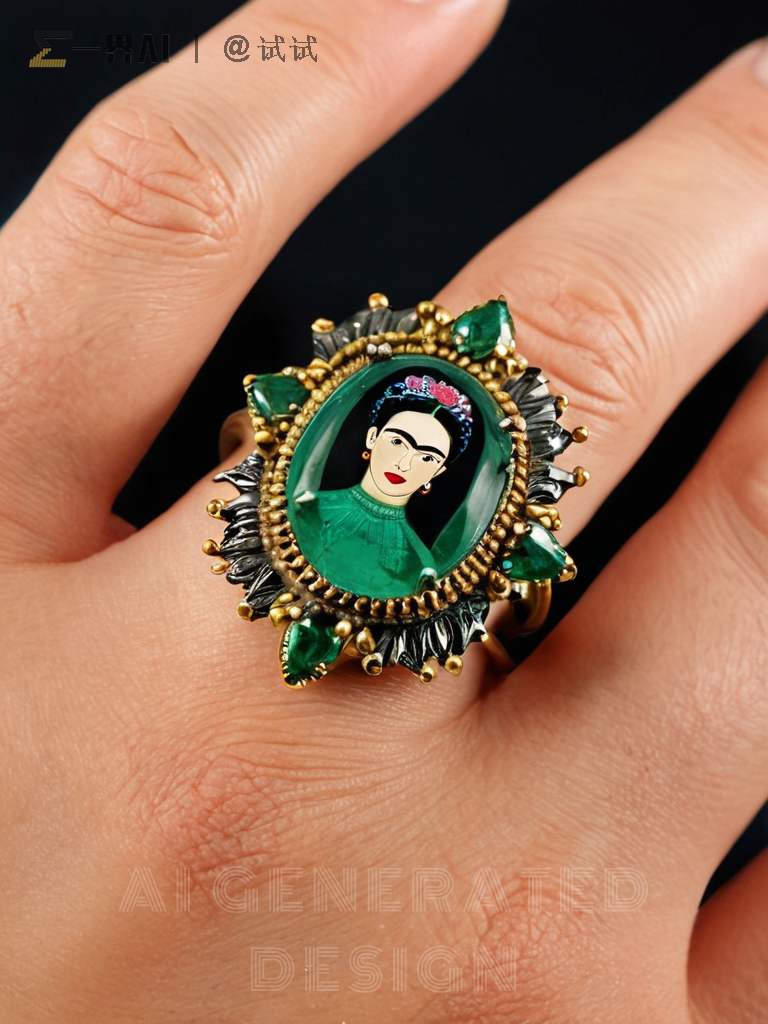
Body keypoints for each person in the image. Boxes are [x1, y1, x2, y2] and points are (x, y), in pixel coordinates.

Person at [1, 2, 768, 1022]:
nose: (409, 464)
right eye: (399, 442)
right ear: (365, 442)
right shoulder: (310, 516)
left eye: (433, 457)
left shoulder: (418, 557)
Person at [292, 375, 473, 596]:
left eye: (427, 458)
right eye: (398, 442)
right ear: (372, 437)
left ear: (437, 472)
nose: (404, 464)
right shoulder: (308, 508)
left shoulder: (418, 566)